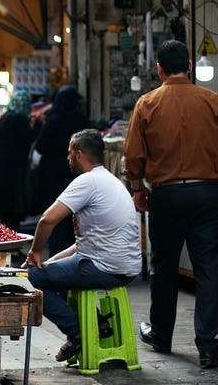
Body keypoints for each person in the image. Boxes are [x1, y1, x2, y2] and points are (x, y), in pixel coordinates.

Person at [123, 39, 218, 369]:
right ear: (190, 66)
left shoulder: (147, 103)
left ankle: (161, 334)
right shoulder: (213, 101)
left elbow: (133, 156)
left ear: (159, 69)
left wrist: (137, 189)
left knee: (163, 268)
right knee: (208, 270)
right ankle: (207, 347)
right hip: (206, 194)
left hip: (166, 196)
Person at [24, 128, 142, 362]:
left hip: (105, 267)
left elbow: (47, 219)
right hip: (122, 267)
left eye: (69, 153)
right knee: (51, 272)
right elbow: (83, 245)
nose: (67, 158)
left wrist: (36, 251)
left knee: (30, 278)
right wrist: (51, 261)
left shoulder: (88, 181)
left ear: (79, 154)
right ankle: (99, 323)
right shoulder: (111, 180)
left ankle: (77, 333)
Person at [32, 85, 91, 256]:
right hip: (76, 172)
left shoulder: (52, 121)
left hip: (52, 173)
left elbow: (40, 146)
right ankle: (73, 253)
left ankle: (57, 254)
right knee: (74, 211)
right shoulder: (81, 121)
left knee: (55, 211)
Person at [0, 90, 39, 230]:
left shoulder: (5, 117)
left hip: (1, 170)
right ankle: (12, 247)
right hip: (12, 172)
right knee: (13, 209)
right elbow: (31, 137)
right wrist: (38, 124)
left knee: (6, 212)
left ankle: (7, 245)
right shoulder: (18, 118)